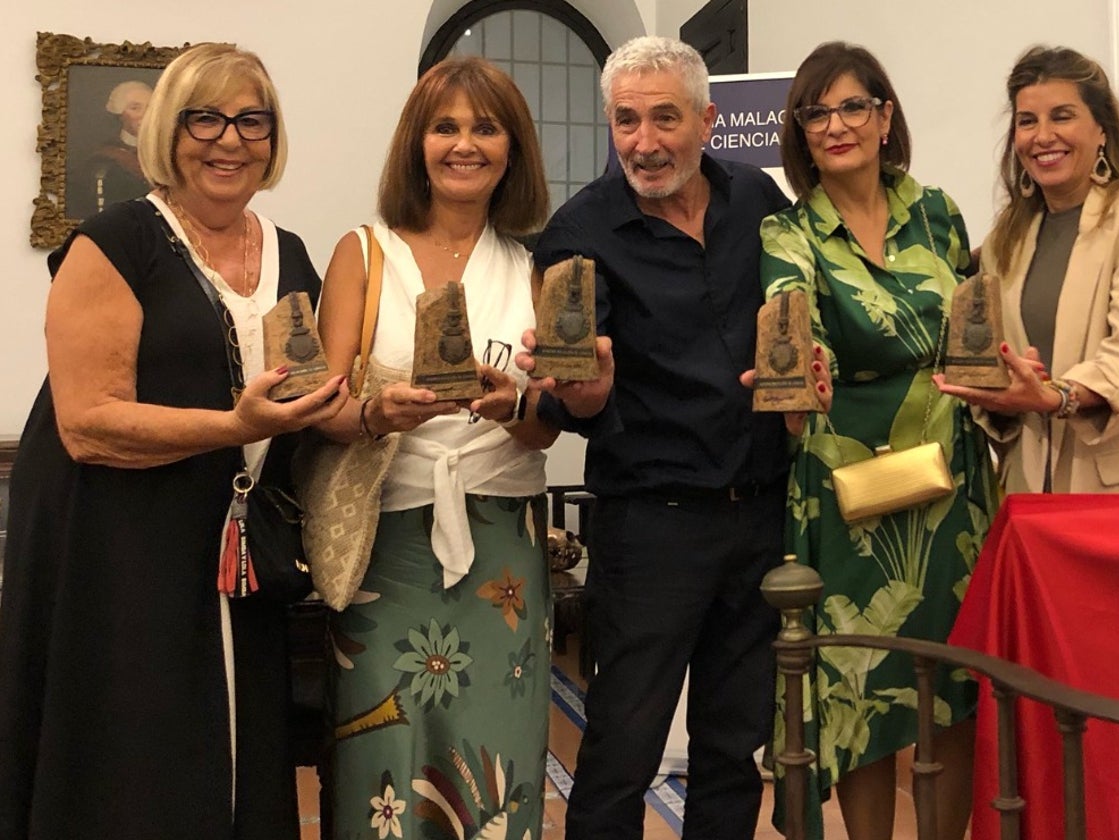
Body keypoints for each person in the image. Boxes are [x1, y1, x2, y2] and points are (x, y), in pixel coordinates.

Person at [0, 43, 348, 838]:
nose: (230, 139)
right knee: (138, 752)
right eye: (206, 117)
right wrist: (235, 428)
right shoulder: (114, 241)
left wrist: (378, 409)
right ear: (167, 130)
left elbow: (305, 391)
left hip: (234, 548)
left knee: (236, 751)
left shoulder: (289, 251)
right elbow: (86, 424)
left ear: (272, 136)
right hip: (119, 544)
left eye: (251, 119)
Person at [519, 35, 803, 840]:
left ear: (709, 120)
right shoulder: (577, 234)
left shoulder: (760, 202)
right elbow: (574, 397)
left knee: (732, 744)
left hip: (760, 515)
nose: (645, 143)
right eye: (627, 121)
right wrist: (583, 390)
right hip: (652, 525)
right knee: (623, 744)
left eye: (665, 118)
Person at [313, 56, 558, 839]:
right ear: (415, 144)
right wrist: (379, 413)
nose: (464, 144)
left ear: (512, 148)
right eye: (444, 126)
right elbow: (321, 409)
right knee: (383, 750)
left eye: (485, 128)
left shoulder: (535, 267)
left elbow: (549, 423)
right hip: (388, 544)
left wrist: (512, 403)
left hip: (504, 540)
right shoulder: (364, 251)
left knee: (497, 743)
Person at [760, 41, 998, 840]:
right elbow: (794, 317)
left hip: (953, 490)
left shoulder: (939, 211)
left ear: (885, 116)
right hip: (849, 488)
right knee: (861, 692)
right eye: (816, 111)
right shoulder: (789, 230)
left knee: (952, 688)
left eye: (853, 106)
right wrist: (804, 375)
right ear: (798, 130)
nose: (836, 125)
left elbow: (970, 326)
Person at [934, 45, 1119, 493]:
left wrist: (1057, 397)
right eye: (1027, 121)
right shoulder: (1005, 239)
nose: (1043, 136)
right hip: (1029, 492)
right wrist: (998, 397)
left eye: (1062, 116)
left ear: (1102, 130)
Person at [70, 80, 154, 218]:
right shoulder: (104, 161)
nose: (146, 115)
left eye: (150, 108)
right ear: (119, 114)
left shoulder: (168, 155)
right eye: (135, 108)